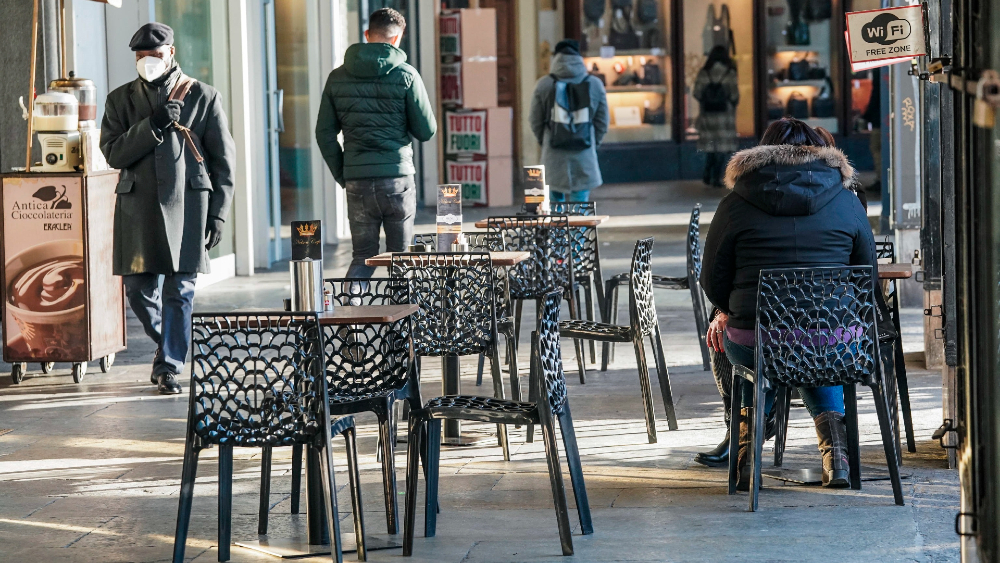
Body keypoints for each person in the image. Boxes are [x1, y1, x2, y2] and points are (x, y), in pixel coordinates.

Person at [700, 118, 885, 488]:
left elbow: (712, 279)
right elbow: (866, 272)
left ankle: (747, 456)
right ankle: (837, 458)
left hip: (755, 339)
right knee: (817, 345)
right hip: (834, 338)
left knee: (771, 351)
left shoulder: (735, 203)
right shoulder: (847, 201)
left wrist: (733, 311)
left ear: (759, 154)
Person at [101, 23, 234, 395]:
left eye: (155, 56)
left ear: (171, 53)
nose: (148, 63)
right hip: (137, 206)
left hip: (189, 206)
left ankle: (169, 366)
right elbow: (113, 152)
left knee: (181, 291)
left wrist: (219, 212)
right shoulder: (119, 100)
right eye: (141, 57)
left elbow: (224, 162)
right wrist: (153, 125)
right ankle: (170, 343)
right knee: (138, 290)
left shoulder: (203, 96)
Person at [316, 8, 436, 278]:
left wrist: (344, 173)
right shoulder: (407, 76)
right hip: (397, 180)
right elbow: (427, 130)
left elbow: (324, 133)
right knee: (400, 258)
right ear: (398, 38)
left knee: (362, 256)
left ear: (367, 34)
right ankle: (400, 320)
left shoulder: (337, 77)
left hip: (358, 180)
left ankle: (352, 313)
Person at [528, 39, 609, 203]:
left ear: (555, 58)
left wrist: (545, 140)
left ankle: (557, 229)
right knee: (580, 201)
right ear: (579, 58)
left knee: (554, 199)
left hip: (553, 152)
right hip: (583, 151)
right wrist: (594, 142)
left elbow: (534, 120)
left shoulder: (544, 84)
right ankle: (576, 228)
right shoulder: (594, 84)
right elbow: (602, 121)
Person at [693, 45, 740, 187]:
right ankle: (716, 177)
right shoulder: (729, 73)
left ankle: (707, 173)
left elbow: (696, 93)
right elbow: (735, 95)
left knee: (711, 147)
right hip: (724, 116)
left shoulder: (704, 73)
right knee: (722, 148)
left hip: (708, 115)